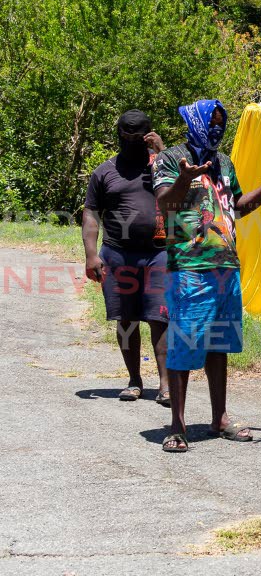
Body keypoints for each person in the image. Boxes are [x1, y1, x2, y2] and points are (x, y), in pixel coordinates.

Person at [153, 99, 261, 453]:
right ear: (195, 123)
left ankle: (219, 418)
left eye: (222, 123)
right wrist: (185, 178)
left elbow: (237, 206)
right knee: (185, 345)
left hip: (226, 267)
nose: (218, 129)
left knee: (218, 344)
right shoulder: (170, 159)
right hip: (190, 268)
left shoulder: (224, 162)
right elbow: (165, 205)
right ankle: (177, 425)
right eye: (212, 122)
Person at [83, 110, 170, 405]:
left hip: (160, 252)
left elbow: (190, 187)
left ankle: (166, 385)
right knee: (127, 320)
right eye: (128, 136)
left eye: (140, 136)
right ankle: (134, 380)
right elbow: (91, 213)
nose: (133, 141)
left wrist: (162, 152)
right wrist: (92, 254)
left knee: (160, 318)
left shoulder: (163, 164)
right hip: (118, 254)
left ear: (150, 134)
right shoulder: (105, 171)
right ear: (119, 134)